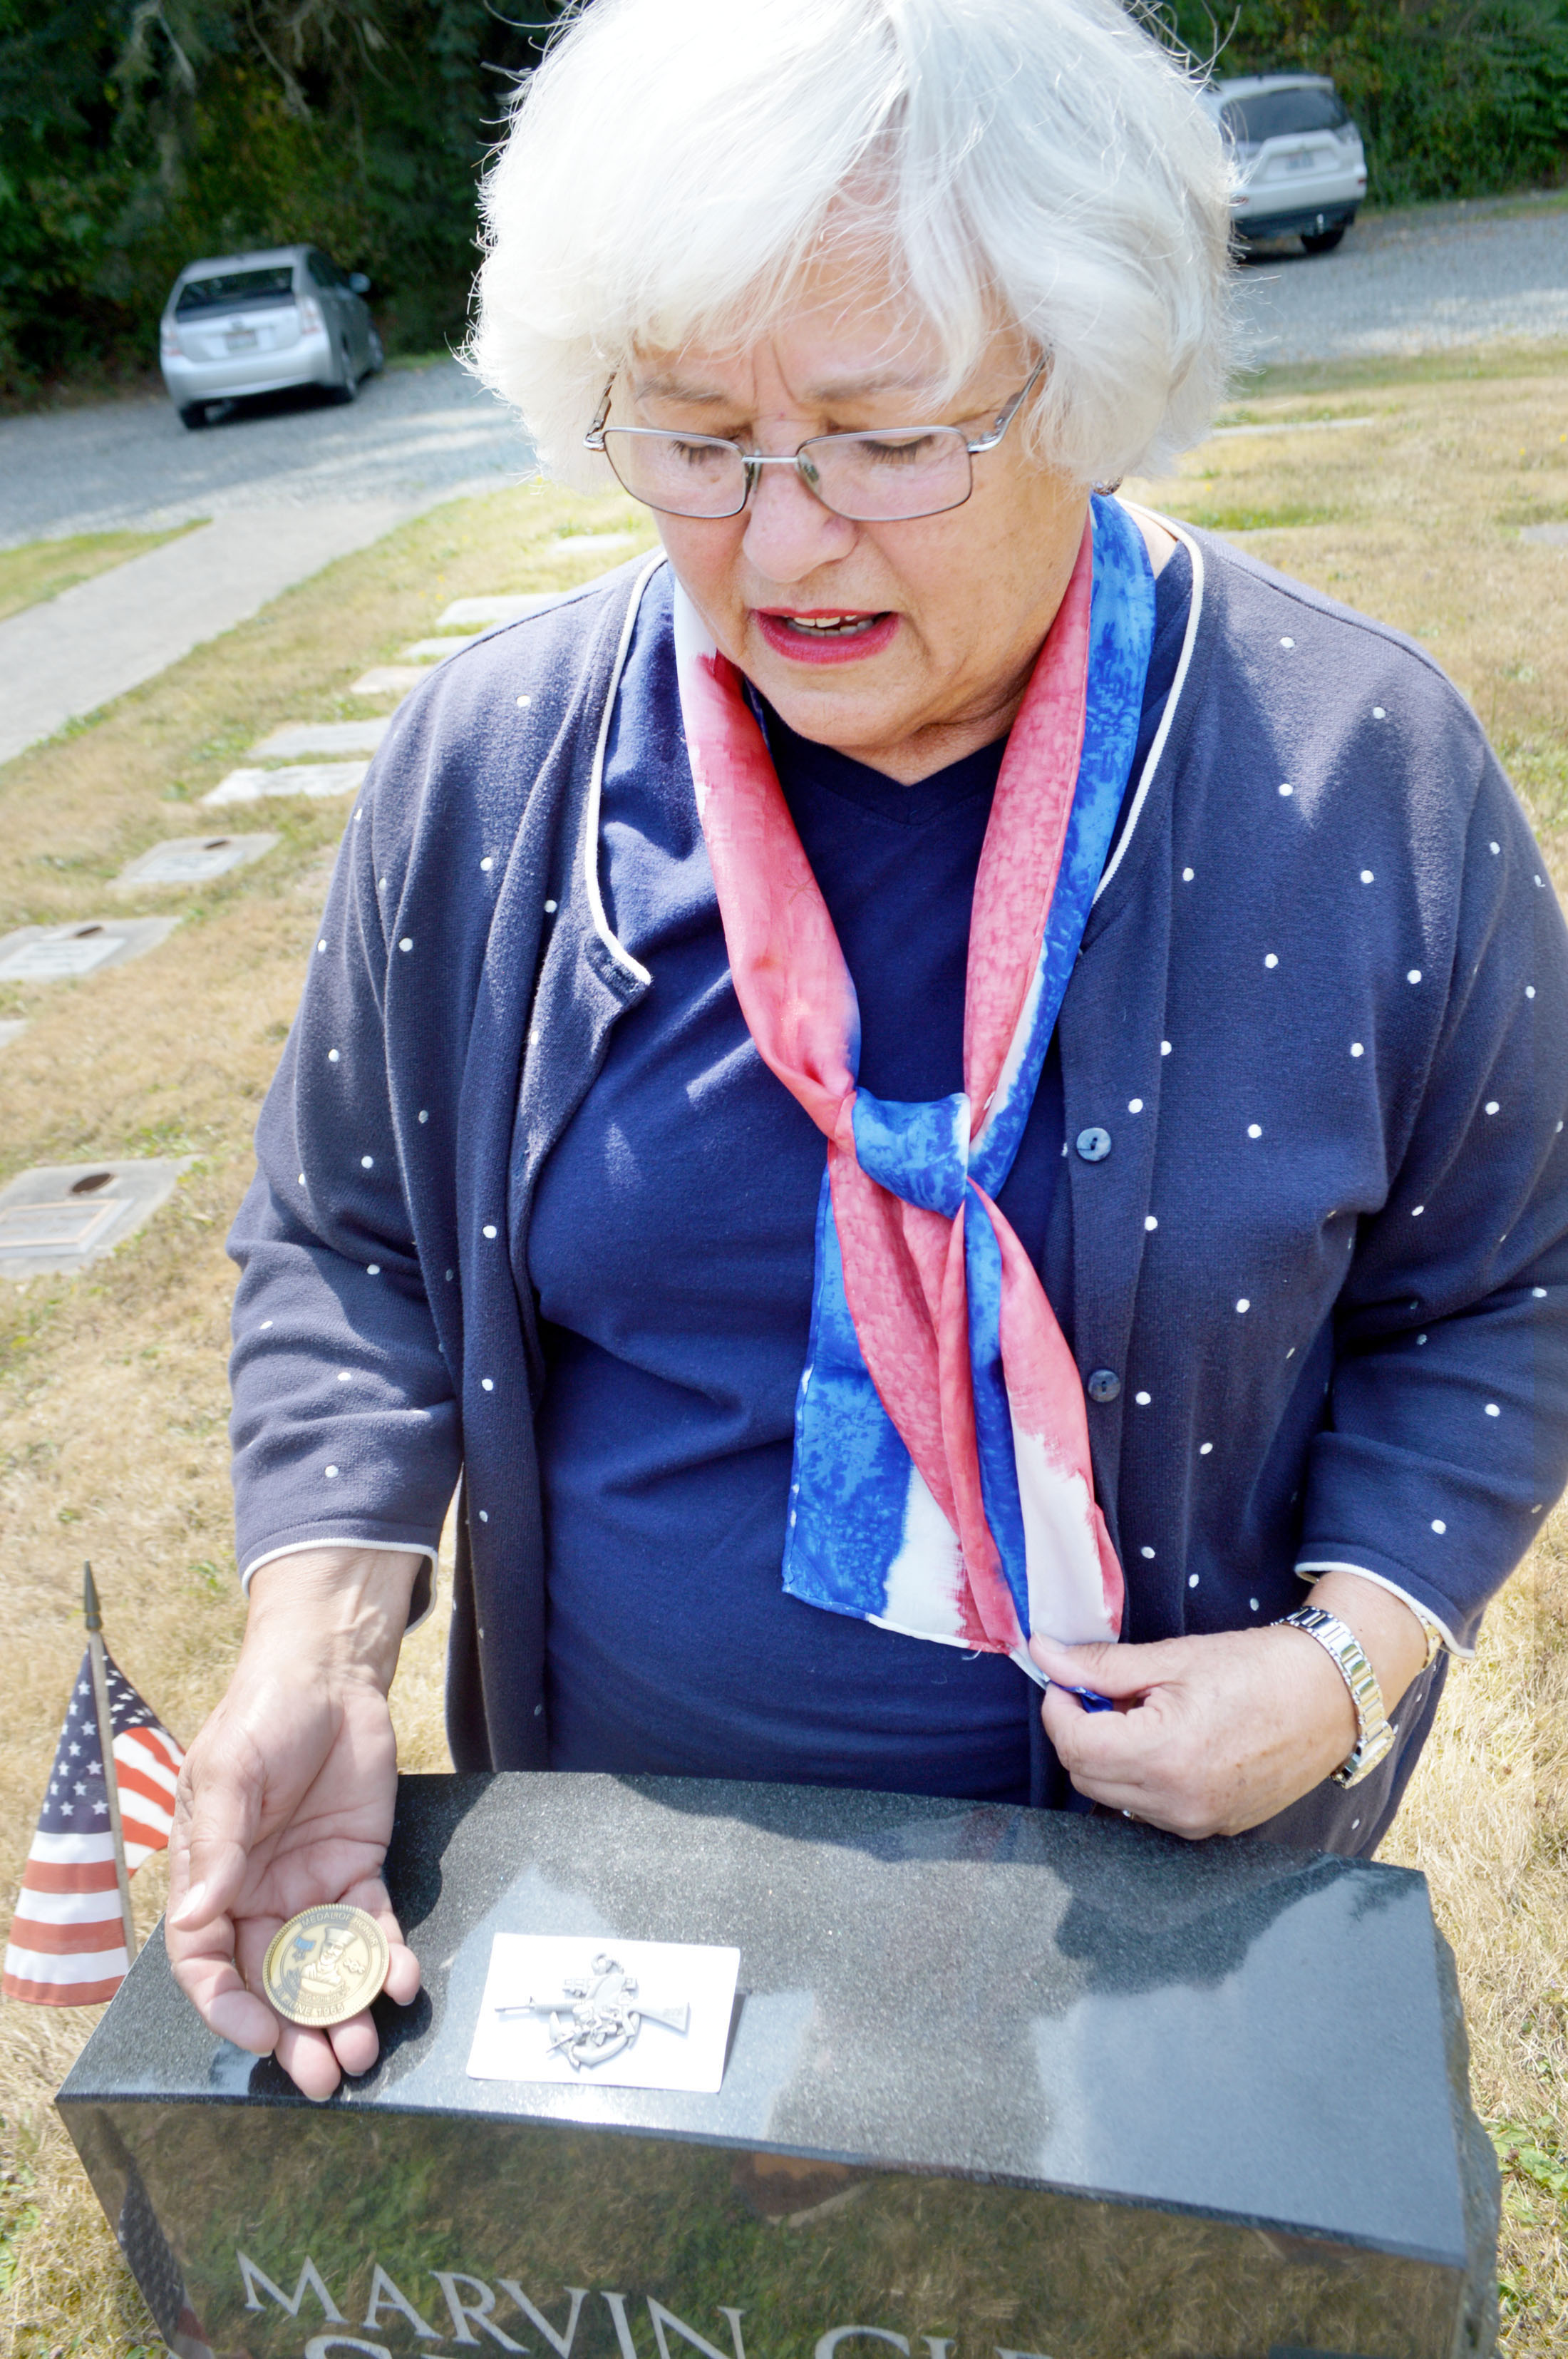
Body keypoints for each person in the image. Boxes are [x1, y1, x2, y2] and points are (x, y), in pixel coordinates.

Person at [167, 0, 1568, 2100]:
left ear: (1085, 387)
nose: (782, 538)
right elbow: (357, 1239)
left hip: (1155, 1954)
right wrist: (325, 1647)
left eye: (887, 437)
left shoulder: (1353, 776)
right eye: (696, 435)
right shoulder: (497, 769)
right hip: (615, 1927)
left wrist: (1342, 1664)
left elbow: (1508, 1289)